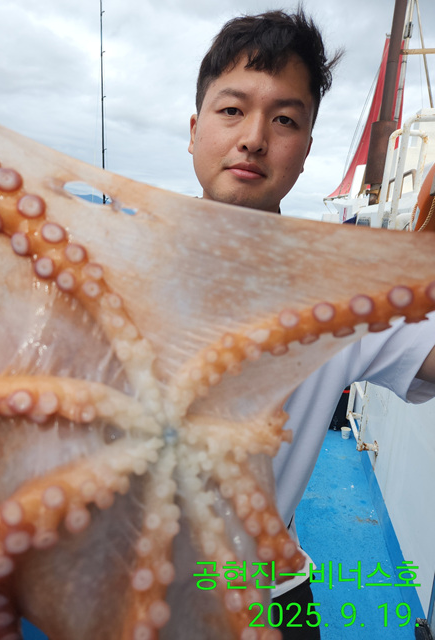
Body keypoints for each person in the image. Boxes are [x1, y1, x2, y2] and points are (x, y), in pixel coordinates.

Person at [188, 9, 435, 640]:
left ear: (305, 150)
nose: (253, 138)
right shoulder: (107, 261)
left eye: (285, 119)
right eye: (231, 110)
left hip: (272, 593)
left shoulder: (344, 289)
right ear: (194, 130)